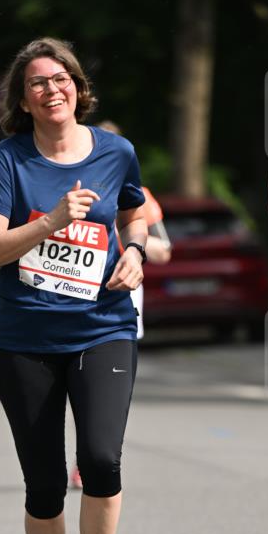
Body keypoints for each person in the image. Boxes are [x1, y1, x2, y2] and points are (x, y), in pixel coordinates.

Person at [0, 38, 148, 534]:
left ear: (78, 85)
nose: (53, 90)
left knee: (101, 460)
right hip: (25, 338)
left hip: (104, 327)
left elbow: (135, 211)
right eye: (39, 83)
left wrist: (136, 251)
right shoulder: (9, 160)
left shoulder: (115, 151)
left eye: (62, 78)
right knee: (45, 481)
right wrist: (51, 220)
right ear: (23, 99)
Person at [69, 120, 171, 489]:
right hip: (68, 301)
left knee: (95, 392)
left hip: (117, 308)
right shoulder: (71, 189)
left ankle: (88, 457)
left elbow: (163, 250)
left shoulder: (138, 194)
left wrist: (128, 243)